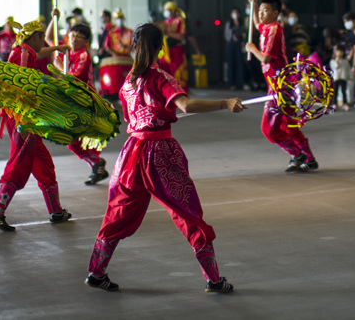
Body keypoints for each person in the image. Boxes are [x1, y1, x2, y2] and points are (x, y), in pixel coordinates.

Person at [85, 23, 243, 293]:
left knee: (118, 211)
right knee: (187, 213)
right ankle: (214, 280)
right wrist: (224, 102)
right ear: (160, 47)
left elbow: (129, 118)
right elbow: (186, 105)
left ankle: (96, 272)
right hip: (159, 153)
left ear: (133, 46)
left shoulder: (127, 82)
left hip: (131, 153)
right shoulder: (161, 78)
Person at [0, 17, 71, 232]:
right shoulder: (23, 53)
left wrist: (57, 47)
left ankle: (56, 211)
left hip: (27, 119)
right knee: (19, 164)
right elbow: (25, 85)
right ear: (34, 37)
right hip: (23, 119)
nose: (42, 42)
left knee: (43, 164)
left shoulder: (24, 51)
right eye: (41, 38)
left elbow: (37, 55)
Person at [246, 0, 317, 172]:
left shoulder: (274, 31)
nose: (261, 14)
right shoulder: (268, 26)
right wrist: (253, 4)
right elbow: (256, 23)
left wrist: (252, 49)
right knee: (290, 124)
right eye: (261, 10)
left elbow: (267, 59)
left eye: (265, 11)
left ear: (276, 13)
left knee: (268, 129)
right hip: (282, 84)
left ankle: (296, 155)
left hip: (280, 87)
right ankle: (308, 158)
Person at [53, 16, 111, 186]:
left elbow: (73, 78)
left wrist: (57, 65)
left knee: (73, 141)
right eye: (72, 35)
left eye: (78, 36)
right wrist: (53, 18)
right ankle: (97, 165)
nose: (73, 39)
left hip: (84, 103)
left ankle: (97, 164)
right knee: (76, 141)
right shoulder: (69, 53)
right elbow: (50, 38)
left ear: (86, 41)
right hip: (72, 103)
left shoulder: (84, 55)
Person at [98, 9, 134, 101]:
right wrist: (115, 54)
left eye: (121, 18)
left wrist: (130, 49)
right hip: (115, 59)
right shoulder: (111, 32)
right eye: (118, 18)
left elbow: (134, 45)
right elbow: (107, 47)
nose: (119, 20)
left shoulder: (130, 32)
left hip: (127, 59)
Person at [157, 2, 189, 90]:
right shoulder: (165, 22)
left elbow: (181, 36)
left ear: (173, 11)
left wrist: (168, 33)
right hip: (166, 51)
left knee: (177, 72)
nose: (166, 12)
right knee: (165, 72)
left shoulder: (179, 21)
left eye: (168, 10)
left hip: (176, 50)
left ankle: (180, 91)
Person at [224, 8, 246, 90]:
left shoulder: (242, 23)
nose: (235, 14)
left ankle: (241, 82)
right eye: (233, 13)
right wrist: (233, 38)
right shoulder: (229, 24)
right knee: (231, 64)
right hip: (230, 45)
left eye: (236, 13)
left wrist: (241, 37)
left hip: (239, 46)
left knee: (240, 64)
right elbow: (226, 35)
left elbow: (244, 33)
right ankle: (231, 83)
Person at [330, 45, 354, 110]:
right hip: (336, 78)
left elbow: (348, 69)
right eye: (338, 51)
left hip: (343, 78)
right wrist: (336, 61)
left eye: (341, 51)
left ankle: (345, 103)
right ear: (335, 52)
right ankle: (334, 104)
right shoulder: (333, 61)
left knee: (344, 91)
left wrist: (350, 76)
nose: (340, 53)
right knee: (335, 92)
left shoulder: (345, 61)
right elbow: (335, 67)